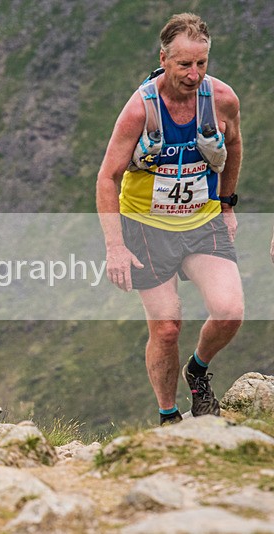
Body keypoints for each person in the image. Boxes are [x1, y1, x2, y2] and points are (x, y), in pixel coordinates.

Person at [96, 13, 243, 426]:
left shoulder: (223, 100)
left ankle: (197, 370)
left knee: (229, 311)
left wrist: (227, 206)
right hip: (145, 228)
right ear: (164, 59)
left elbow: (233, 145)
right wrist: (115, 246)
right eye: (184, 65)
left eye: (201, 64)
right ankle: (168, 416)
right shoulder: (140, 110)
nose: (194, 74)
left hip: (201, 223)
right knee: (166, 326)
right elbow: (107, 178)